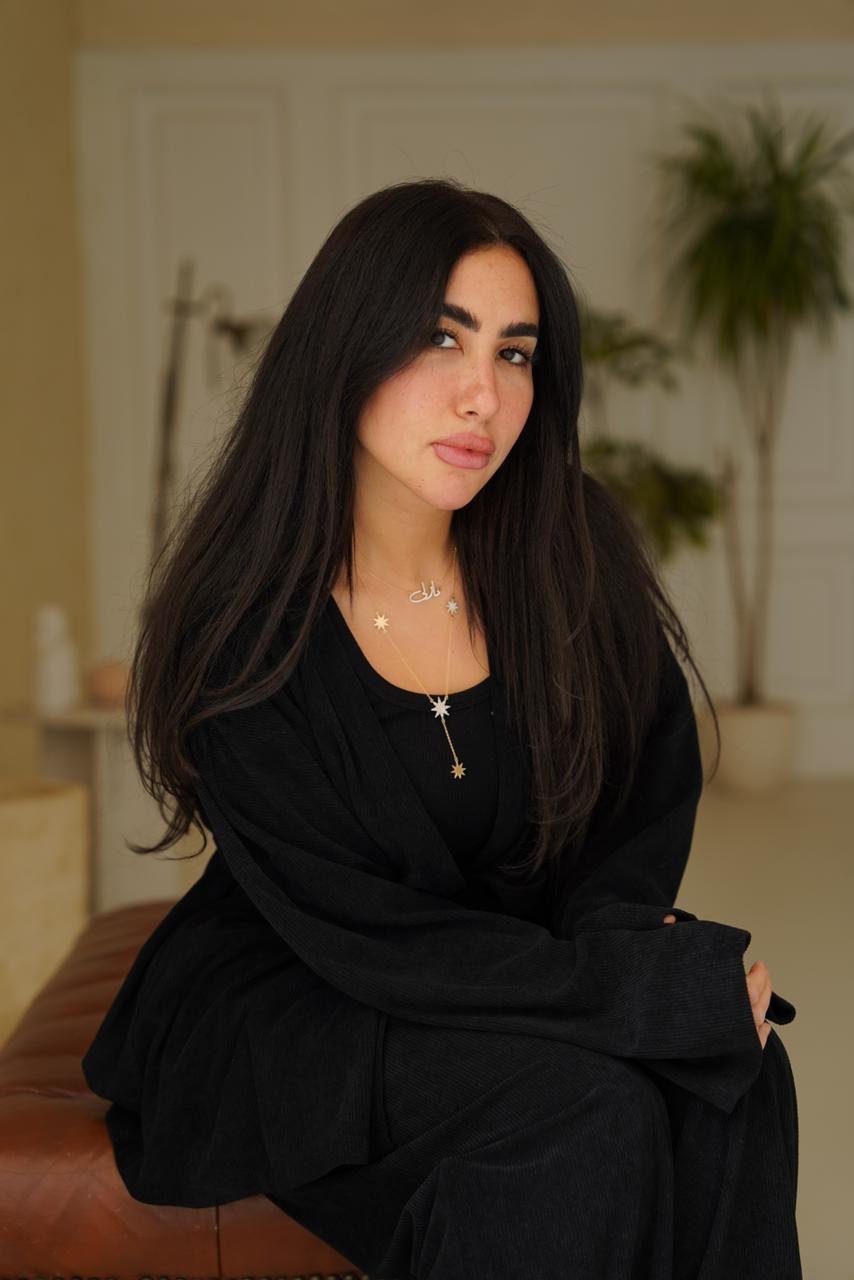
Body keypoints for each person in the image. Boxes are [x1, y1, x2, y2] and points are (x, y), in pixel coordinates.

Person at [82, 177, 801, 1278]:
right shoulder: (247, 624)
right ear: (345, 347)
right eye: (440, 338)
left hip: (512, 970)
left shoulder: (569, 549)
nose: (483, 396)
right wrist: (625, 991)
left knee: (732, 1075)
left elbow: (639, 797)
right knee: (586, 1110)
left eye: (514, 353)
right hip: (305, 992)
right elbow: (362, 929)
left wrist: (624, 940)